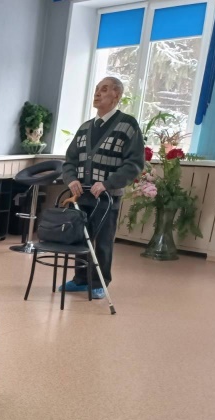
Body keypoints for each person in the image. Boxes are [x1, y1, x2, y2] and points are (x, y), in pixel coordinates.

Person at [61, 76, 145, 298]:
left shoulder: (128, 125)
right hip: (81, 195)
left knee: (103, 241)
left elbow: (134, 163)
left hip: (107, 198)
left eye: (104, 89)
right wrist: (71, 179)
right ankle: (80, 279)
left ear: (117, 95)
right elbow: (69, 161)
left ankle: (100, 282)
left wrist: (108, 184)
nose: (97, 93)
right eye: (97, 89)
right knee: (80, 237)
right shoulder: (85, 128)